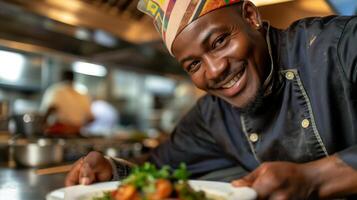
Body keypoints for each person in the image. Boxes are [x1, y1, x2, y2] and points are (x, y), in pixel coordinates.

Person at [65, 0, 357, 199]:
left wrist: (314, 178)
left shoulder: (341, 44)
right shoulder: (211, 116)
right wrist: (113, 171)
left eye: (219, 41)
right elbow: (156, 169)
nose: (215, 70)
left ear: (250, 16)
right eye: (194, 64)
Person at [40, 70, 94, 136]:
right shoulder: (82, 94)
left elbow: (51, 107)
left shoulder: (57, 90)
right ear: (73, 79)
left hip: (59, 131)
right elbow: (91, 119)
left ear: (61, 78)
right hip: (77, 132)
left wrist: (42, 124)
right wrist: (76, 127)